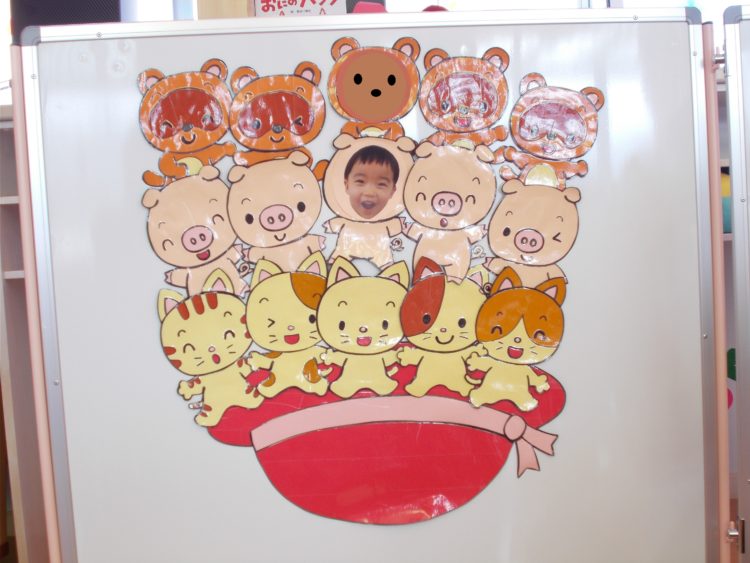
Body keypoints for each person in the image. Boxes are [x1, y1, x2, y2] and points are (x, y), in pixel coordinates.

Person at [343, 145, 400, 220]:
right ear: (347, 185)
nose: (369, 193)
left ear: (392, 191)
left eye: (381, 184)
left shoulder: (395, 223)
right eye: (360, 181)